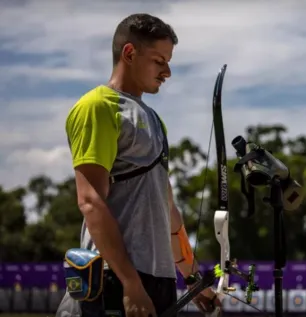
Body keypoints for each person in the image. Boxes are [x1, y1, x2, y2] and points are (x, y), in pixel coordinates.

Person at [55, 13, 222, 317]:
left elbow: (168, 210)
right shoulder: (98, 106)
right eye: (159, 61)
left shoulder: (154, 120)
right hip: (112, 279)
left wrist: (195, 281)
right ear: (130, 54)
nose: (167, 71)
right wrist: (130, 283)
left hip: (158, 279)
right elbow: (90, 201)